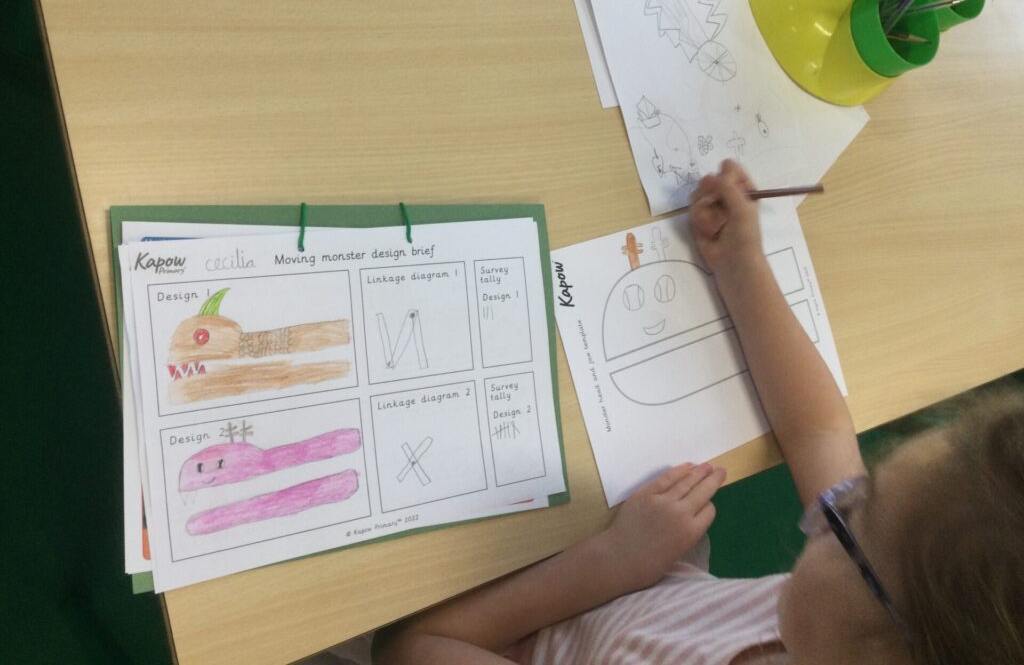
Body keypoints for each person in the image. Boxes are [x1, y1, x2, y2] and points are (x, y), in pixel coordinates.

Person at [373, 160, 1024, 664]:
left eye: (854, 517)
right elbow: (819, 429)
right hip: (632, 572)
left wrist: (614, 562)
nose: (840, 497)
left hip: (510, 616)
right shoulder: (840, 615)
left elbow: (411, 644)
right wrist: (742, 264)